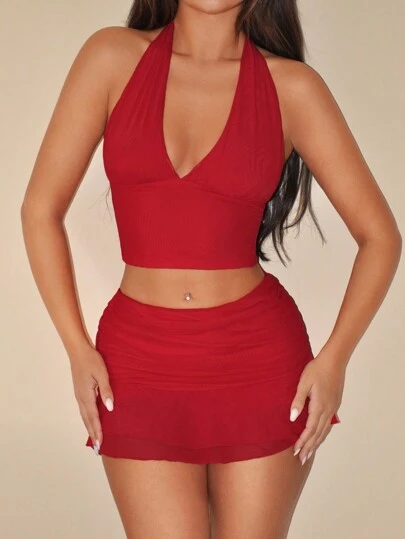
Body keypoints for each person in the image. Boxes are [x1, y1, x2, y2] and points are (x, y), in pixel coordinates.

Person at [20, 1, 401, 538]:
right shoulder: (110, 58)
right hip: (137, 365)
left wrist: (334, 361)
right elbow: (39, 210)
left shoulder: (293, 88)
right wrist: (76, 348)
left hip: (259, 363)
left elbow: (380, 237)